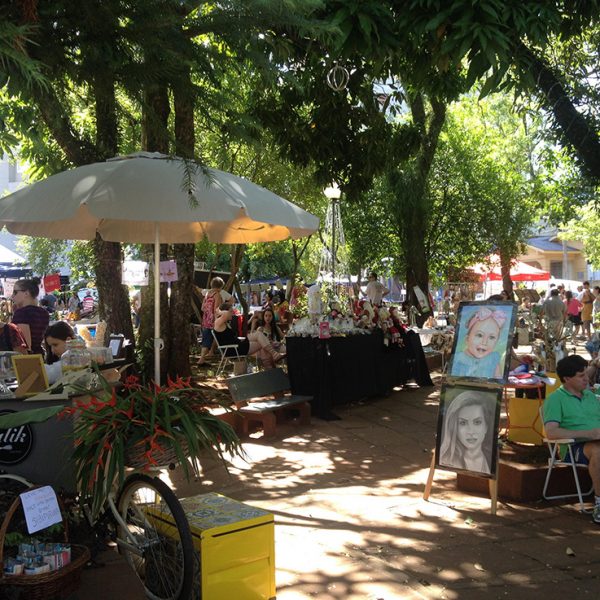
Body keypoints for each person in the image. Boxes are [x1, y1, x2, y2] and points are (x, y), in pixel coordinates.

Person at [542, 354, 600, 523]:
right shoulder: (556, 399)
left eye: (586, 374)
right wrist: (588, 434)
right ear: (567, 379)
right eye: (581, 376)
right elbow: (551, 432)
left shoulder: (591, 396)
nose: (586, 378)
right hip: (574, 447)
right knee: (598, 451)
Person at [439, 390, 495, 474]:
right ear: (454, 428)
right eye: (463, 423)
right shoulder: (445, 460)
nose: (471, 431)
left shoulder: (492, 459)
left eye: (477, 422)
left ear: (486, 427)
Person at [213, 303, 284, 368]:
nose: (232, 313)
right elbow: (226, 314)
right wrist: (219, 311)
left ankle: (272, 360)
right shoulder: (218, 322)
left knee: (259, 336)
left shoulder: (224, 323)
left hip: (238, 344)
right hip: (234, 349)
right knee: (261, 341)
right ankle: (271, 364)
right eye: (231, 311)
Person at [451, 307, 508, 378]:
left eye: (492, 337)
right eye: (479, 335)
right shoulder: (458, 358)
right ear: (467, 339)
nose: (484, 342)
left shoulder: (493, 359)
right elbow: (453, 380)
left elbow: (497, 379)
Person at [11, 278, 50, 355]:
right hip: (39, 355)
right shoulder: (44, 312)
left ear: (26, 293)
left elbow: (25, 347)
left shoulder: (21, 313)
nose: (12, 295)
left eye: (15, 292)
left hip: (27, 360)